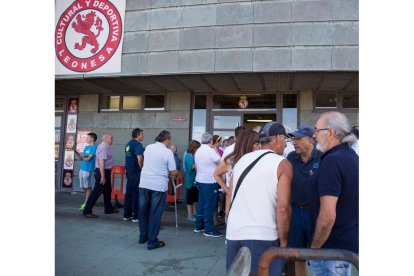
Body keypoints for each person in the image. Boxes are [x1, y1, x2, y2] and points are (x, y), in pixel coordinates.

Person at [225, 122, 292, 276]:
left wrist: (230, 223)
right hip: (263, 235)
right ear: (277, 138)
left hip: (235, 233)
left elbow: (229, 195)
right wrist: (283, 242)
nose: (285, 143)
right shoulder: (282, 164)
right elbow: (283, 208)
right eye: (284, 139)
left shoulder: (242, 160)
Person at [308, 112, 359, 275]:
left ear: (330, 132)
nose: (314, 135)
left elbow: (328, 215)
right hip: (344, 249)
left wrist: (314, 249)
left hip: (330, 251)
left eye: (316, 130)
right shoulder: (351, 156)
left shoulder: (333, 161)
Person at [286, 125, 323, 276]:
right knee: (297, 255)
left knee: (318, 255)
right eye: (294, 139)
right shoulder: (290, 158)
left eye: (298, 139)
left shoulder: (322, 157)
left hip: (315, 213)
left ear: (310, 140)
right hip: (295, 212)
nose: (294, 142)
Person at [138, 130, 179, 250]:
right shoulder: (167, 152)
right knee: (155, 213)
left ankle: (143, 236)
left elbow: (145, 162)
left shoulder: (149, 147)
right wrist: (177, 172)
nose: (170, 141)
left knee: (143, 211)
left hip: (144, 182)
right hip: (158, 186)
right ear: (166, 140)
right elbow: (172, 171)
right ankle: (152, 241)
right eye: (170, 139)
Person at [214, 130, 261, 220]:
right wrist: (227, 191)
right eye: (257, 144)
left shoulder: (259, 159)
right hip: (236, 202)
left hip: (254, 201)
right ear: (249, 144)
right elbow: (216, 174)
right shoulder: (231, 160)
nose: (260, 147)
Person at [83, 134, 119, 218]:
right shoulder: (104, 147)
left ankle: (108, 209)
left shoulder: (105, 146)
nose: (112, 139)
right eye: (111, 138)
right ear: (106, 138)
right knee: (96, 193)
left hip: (105, 172)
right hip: (102, 172)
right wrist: (103, 176)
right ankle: (87, 211)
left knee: (107, 191)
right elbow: (101, 162)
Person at [194, 132, 222, 237]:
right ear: (211, 141)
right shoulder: (210, 151)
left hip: (200, 180)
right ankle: (209, 229)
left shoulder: (199, 150)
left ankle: (199, 225)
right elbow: (221, 163)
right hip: (209, 181)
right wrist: (215, 149)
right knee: (209, 205)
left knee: (201, 203)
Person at [123, 128, 145, 223]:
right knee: (136, 194)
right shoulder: (138, 145)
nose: (143, 136)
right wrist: (143, 169)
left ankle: (126, 215)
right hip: (136, 172)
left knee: (129, 193)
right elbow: (139, 159)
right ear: (137, 135)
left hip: (129, 171)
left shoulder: (128, 143)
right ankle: (136, 216)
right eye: (142, 134)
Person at [76, 132, 98, 211]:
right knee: (83, 186)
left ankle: (86, 203)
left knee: (88, 187)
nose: (86, 139)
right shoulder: (86, 147)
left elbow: (89, 159)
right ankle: (89, 200)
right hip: (82, 168)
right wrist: (79, 155)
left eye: (88, 137)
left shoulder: (94, 147)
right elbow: (84, 158)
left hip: (88, 170)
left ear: (92, 138)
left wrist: (83, 157)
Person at [184, 140, 201, 221]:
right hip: (190, 180)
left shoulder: (194, 155)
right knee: (190, 198)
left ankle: (194, 213)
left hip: (195, 180)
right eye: (198, 148)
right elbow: (193, 166)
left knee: (195, 198)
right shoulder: (188, 155)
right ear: (194, 148)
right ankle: (190, 215)